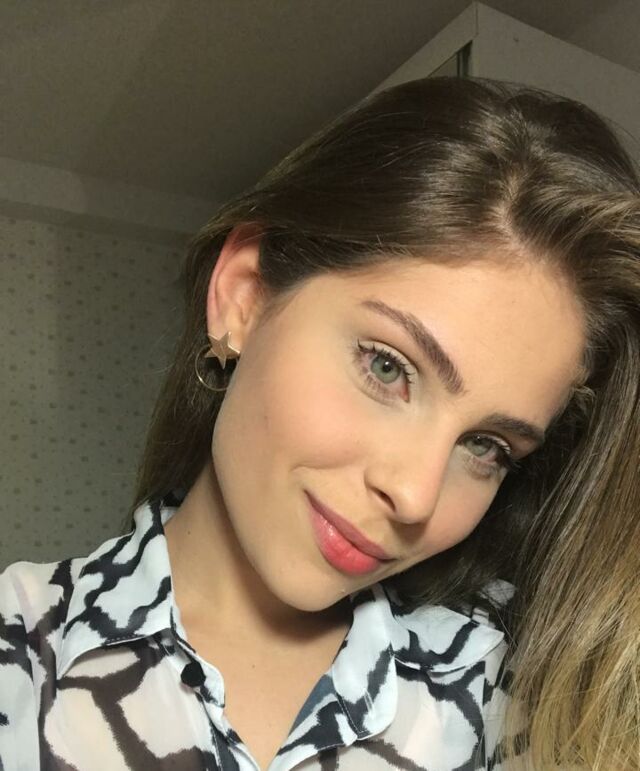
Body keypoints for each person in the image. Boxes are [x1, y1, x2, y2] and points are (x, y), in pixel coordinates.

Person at [1, 75, 638, 771]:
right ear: (243, 298)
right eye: (387, 367)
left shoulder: (512, 693)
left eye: (486, 445)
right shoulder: (23, 657)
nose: (415, 495)